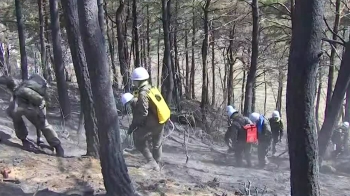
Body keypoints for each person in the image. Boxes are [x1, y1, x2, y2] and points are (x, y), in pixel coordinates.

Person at [1, 74, 64, 157]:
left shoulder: (17, 92)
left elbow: (14, 109)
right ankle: (57, 147)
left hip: (31, 107)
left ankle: (24, 140)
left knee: (16, 116)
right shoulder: (25, 85)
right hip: (39, 106)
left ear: (8, 88)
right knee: (44, 125)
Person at [127, 67, 166, 171]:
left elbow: (143, 112)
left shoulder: (143, 93)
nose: (133, 83)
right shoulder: (151, 88)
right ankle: (157, 165)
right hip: (161, 120)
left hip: (152, 122)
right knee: (157, 144)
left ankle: (151, 162)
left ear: (138, 81)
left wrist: (135, 125)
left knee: (138, 140)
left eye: (134, 81)